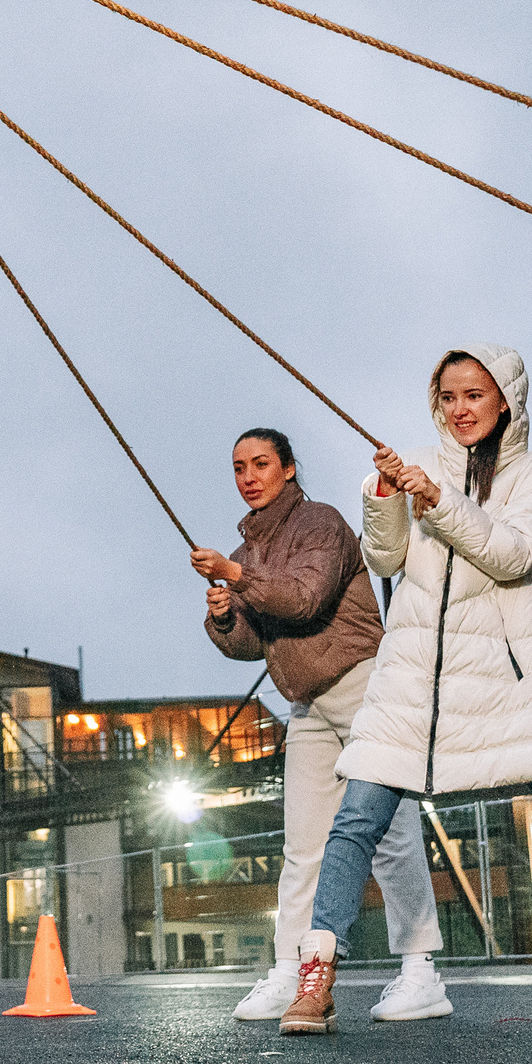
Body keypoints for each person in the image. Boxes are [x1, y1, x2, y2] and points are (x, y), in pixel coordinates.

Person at [280, 344, 532, 1034]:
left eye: (474, 395)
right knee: (352, 825)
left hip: (512, 684)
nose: (459, 410)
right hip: (414, 683)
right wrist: (386, 496)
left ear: (504, 400)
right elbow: (385, 558)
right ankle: (316, 979)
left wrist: (436, 498)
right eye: (448, 397)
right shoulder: (423, 464)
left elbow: (512, 554)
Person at [192, 428, 447, 1023]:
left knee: (393, 836)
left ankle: (421, 972)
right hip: (306, 703)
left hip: (363, 688)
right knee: (302, 846)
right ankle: (289, 972)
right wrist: (228, 618)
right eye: (238, 467)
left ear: (289, 469)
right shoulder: (252, 550)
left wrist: (236, 574)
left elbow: (305, 598)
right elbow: (259, 643)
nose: (248, 476)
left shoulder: (321, 523)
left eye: (260, 463)